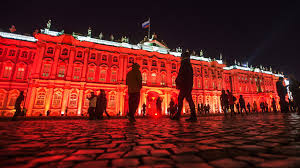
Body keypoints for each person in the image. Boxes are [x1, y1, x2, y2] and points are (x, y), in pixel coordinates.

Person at [172, 51, 197, 121]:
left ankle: (179, 115)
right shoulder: (188, 65)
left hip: (185, 85)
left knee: (181, 99)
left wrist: (178, 81)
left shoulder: (184, 64)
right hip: (188, 85)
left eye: (182, 57)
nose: (181, 58)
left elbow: (181, 74)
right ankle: (192, 115)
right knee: (187, 99)